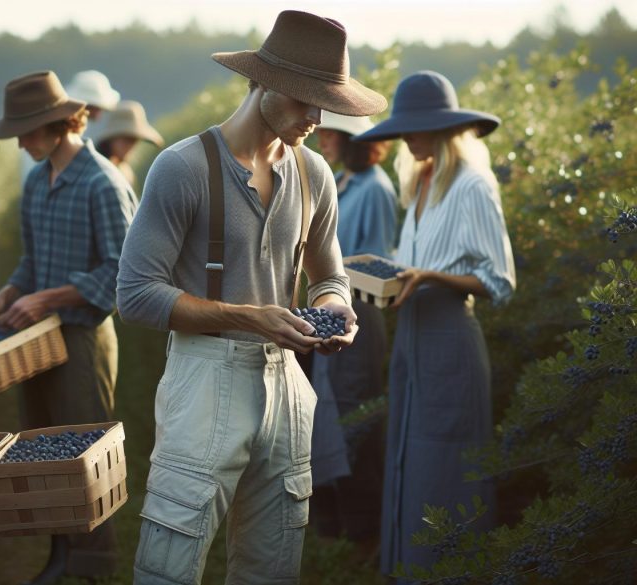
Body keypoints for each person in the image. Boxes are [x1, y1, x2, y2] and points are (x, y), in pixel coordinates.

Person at [117, 11, 387, 584]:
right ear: (261, 83)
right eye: (305, 100)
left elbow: (329, 277)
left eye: (326, 104)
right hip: (203, 378)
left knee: (274, 566)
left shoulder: (315, 174)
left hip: (288, 384)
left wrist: (336, 306)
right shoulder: (182, 167)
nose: (316, 117)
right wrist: (252, 318)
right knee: (170, 562)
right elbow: (135, 294)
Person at [353, 70, 515, 579]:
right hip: (412, 342)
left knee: (443, 466)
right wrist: (384, 275)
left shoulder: (472, 185)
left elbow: (500, 280)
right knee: (406, 455)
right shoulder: (419, 182)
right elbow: (410, 266)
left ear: (446, 128)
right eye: (403, 127)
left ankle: (447, 572)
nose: (407, 136)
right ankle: (406, 570)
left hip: (450, 342)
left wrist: (430, 278)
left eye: (416, 126)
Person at [0, 70, 137, 585]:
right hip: (37, 342)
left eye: (25, 132)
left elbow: (123, 273)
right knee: (44, 448)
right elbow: (33, 260)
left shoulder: (101, 183)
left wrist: (51, 296)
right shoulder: (36, 179)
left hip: (81, 339)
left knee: (83, 454)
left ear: (56, 124)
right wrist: (8, 292)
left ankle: (93, 564)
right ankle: (61, 554)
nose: (20, 143)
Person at [309, 111, 397, 543]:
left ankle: (364, 537)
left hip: (359, 316)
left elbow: (377, 265)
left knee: (354, 419)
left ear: (352, 140)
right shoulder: (341, 182)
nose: (323, 139)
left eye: (332, 133)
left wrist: (326, 273)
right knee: (328, 417)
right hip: (332, 313)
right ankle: (337, 531)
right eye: (322, 132)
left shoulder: (377, 188)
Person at [95, 100, 164, 189]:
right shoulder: (95, 169)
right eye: (127, 140)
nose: (130, 147)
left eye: (134, 141)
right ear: (113, 138)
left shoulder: (126, 172)